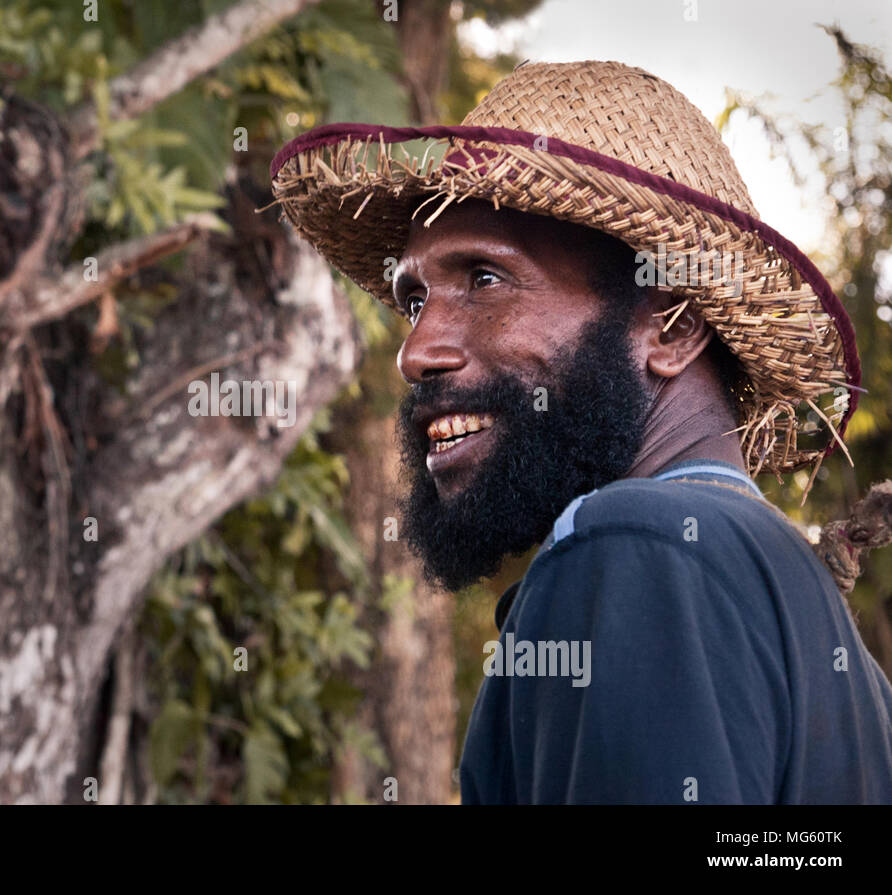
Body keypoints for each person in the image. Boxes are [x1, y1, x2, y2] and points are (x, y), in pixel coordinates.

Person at [269, 60, 892, 803]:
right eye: (413, 300)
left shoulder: (635, 542)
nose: (416, 351)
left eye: (485, 279)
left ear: (674, 325)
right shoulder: (825, 636)